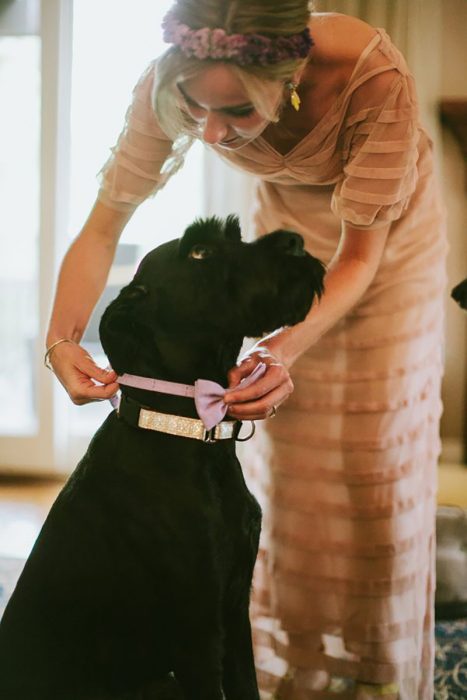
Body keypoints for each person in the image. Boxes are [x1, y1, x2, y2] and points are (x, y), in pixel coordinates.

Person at [45, 1, 447, 697]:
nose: (210, 132)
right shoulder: (171, 80)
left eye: (235, 114)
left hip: (379, 258)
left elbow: (356, 258)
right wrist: (60, 339)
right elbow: (103, 225)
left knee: (369, 469)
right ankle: (295, 672)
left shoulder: (365, 74)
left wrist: (283, 350)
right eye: (195, 109)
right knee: (291, 480)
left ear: (286, 81)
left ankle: (372, 676)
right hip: (279, 243)